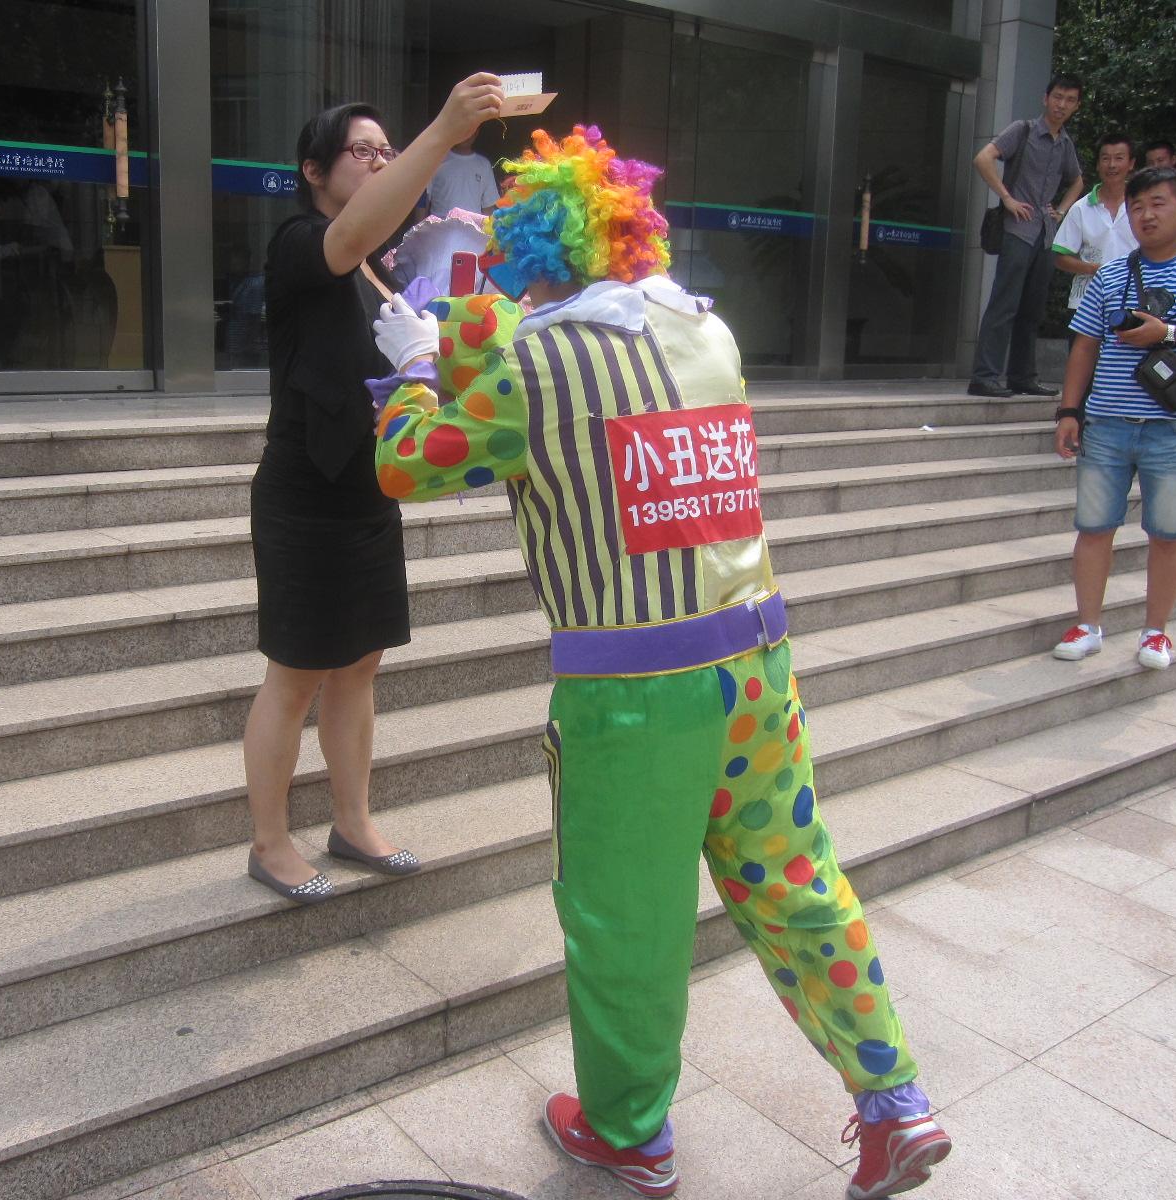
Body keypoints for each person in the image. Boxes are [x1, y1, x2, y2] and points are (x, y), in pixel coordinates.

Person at [369, 126, 951, 1200]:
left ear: (535, 250)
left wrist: (414, 366)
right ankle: (894, 1102)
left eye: (507, 246)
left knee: (622, 922)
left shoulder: (534, 366)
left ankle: (629, 1135)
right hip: (756, 667)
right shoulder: (705, 336)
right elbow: (559, 399)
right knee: (795, 883)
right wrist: (475, 347)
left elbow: (412, 465)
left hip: (636, 696)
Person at [242, 73, 505, 904]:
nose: (379, 161)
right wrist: (444, 128)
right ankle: (269, 843)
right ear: (314, 170)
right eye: (363, 151)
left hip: (366, 490)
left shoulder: (380, 276)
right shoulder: (300, 245)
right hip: (303, 492)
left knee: (360, 666)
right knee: (296, 675)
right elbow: (354, 231)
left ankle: (352, 822)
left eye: (387, 151)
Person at [1052, 165, 1176, 670]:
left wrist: (1169, 333)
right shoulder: (1113, 273)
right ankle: (1088, 625)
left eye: (1158, 203)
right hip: (1108, 424)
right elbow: (1084, 345)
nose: (1146, 215)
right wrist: (1069, 411)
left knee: (1168, 532)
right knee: (1094, 526)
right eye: (1138, 206)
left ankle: (1156, 632)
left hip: (1174, 427)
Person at [968, 74, 1085, 398]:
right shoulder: (1023, 130)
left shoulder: (1065, 143)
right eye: (1058, 97)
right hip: (1016, 229)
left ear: (1077, 106)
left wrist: (1060, 211)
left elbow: (1077, 181)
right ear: (1046, 98)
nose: (1062, 105)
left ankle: (1022, 376)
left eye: (1070, 100)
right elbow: (983, 158)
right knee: (1004, 304)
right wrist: (1006, 197)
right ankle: (984, 376)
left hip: (1045, 235)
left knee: (1032, 310)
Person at [1052, 132, 1138, 327]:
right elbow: (1059, 257)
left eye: (1119, 158)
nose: (1112, 165)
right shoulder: (1080, 208)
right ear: (1098, 164)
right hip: (1086, 303)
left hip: (1134, 301)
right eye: (1105, 158)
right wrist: (1095, 269)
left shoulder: (1142, 206)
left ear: (1131, 163)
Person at [422, 129, 501, 218]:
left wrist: (489, 230)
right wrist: (418, 231)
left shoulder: (484, 165)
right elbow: (423, 202)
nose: (465, 134)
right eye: (463, 129)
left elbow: (488, 207)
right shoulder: (436, 161)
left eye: (470, 129)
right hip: (440, 229)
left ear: (476, 132)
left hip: (472, 230)